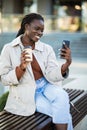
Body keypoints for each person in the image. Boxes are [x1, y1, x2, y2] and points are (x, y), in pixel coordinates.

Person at [0, 13, 73, 130]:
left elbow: (52, 74)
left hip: (46, 85)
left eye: (42, 30)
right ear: (27, 26)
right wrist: (22, 67)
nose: (40, 33)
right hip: (27, 93)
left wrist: (66, 64)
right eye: (37, 29)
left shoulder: (46, 48)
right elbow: (4, 79)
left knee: (62, 96)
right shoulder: (9, 49)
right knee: (60, 112)